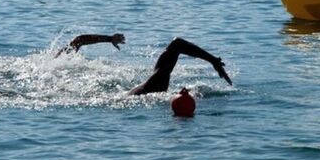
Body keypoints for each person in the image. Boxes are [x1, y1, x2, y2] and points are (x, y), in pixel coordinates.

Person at [55, 33, 232, 95]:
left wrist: (109, 39)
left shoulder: (53, 65)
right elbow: (177, 43)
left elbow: (77, 41)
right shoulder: (156, 84)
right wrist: (214, 61)